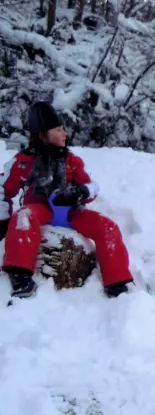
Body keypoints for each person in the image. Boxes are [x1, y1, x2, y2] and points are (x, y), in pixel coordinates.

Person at [0, 101, 134, 299]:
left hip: (72, 212)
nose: (65, 134)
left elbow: (92, 186)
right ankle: (20, 275)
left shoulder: (71, 160)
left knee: (107, 226)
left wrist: (80, 192)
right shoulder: (23, 161)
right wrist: (2, 220)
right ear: (41, 134)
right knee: (24, 217)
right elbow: (3, 189)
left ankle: (117, 281)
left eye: (64, 129)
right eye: (58, 129)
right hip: (40, 209)